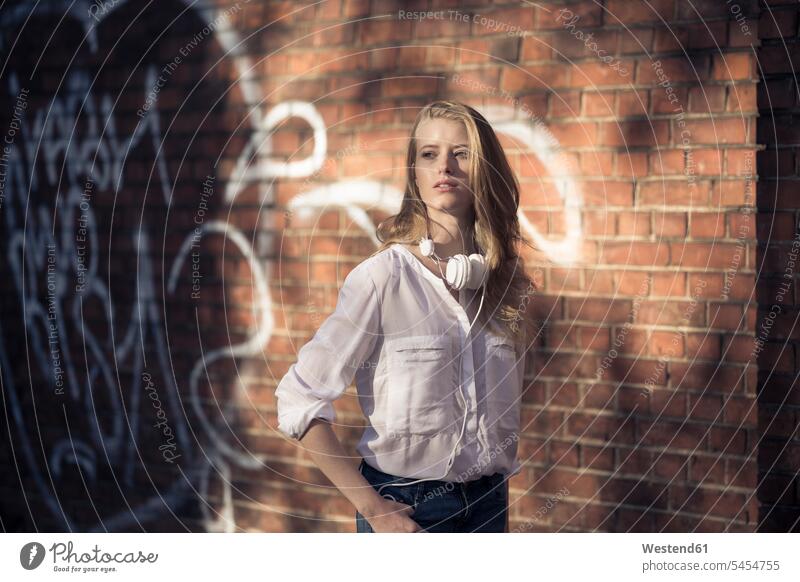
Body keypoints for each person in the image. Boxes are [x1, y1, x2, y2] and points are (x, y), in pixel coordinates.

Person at [276, 100, 537, 533]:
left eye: (462, 153)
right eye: (429, 154)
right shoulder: (382, 279)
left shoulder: (504, 285)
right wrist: (372, 508)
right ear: (413, 171)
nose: (445, 166)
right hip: (409, 510)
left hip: (491, 505)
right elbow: (298, 399)